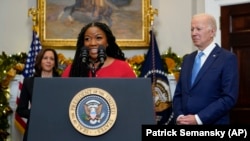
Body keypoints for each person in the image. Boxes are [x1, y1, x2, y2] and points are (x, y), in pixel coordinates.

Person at [173, 13, 239, 125]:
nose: (194, 33)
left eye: (198, 29)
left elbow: (228, 98)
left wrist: (198, 119)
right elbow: (179, 93)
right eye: (192, 29)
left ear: (212, 32)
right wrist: (180, 116)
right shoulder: (188, 59)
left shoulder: (227, 58)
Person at [61, 22, 136, 78]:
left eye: (98, 38)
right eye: (87, 39)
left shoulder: (123, 67)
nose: (93, 43)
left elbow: (135, 96)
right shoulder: (72, 69)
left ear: (107, 42)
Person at [16, 48, 60, 141]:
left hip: (55, 128)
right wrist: (38, 113)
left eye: (52, 59)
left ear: (55, 63)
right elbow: (21, 110)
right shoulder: (29, 82)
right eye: (45, 58)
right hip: (34, 127)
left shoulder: (61, 82)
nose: (48, 61)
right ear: (40, 61)